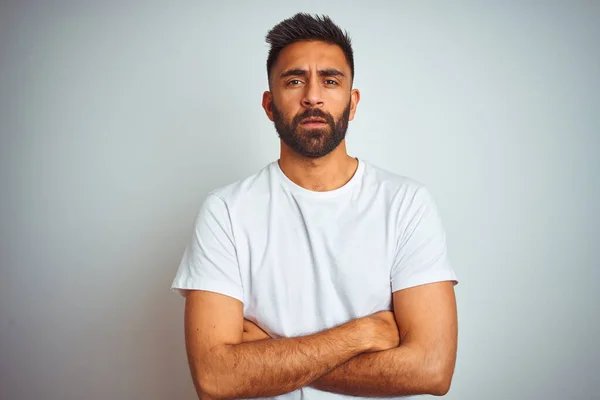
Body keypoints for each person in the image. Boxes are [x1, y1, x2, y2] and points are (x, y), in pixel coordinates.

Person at [171, 12, 459, 400]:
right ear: (270, 105)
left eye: (330, 80)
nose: (312, 95)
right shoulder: (226, 211)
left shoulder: (406, 203)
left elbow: (431, 370)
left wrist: (268, 354)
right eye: (294, 81)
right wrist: (364, 334)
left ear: (352, 102)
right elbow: (215, 378)